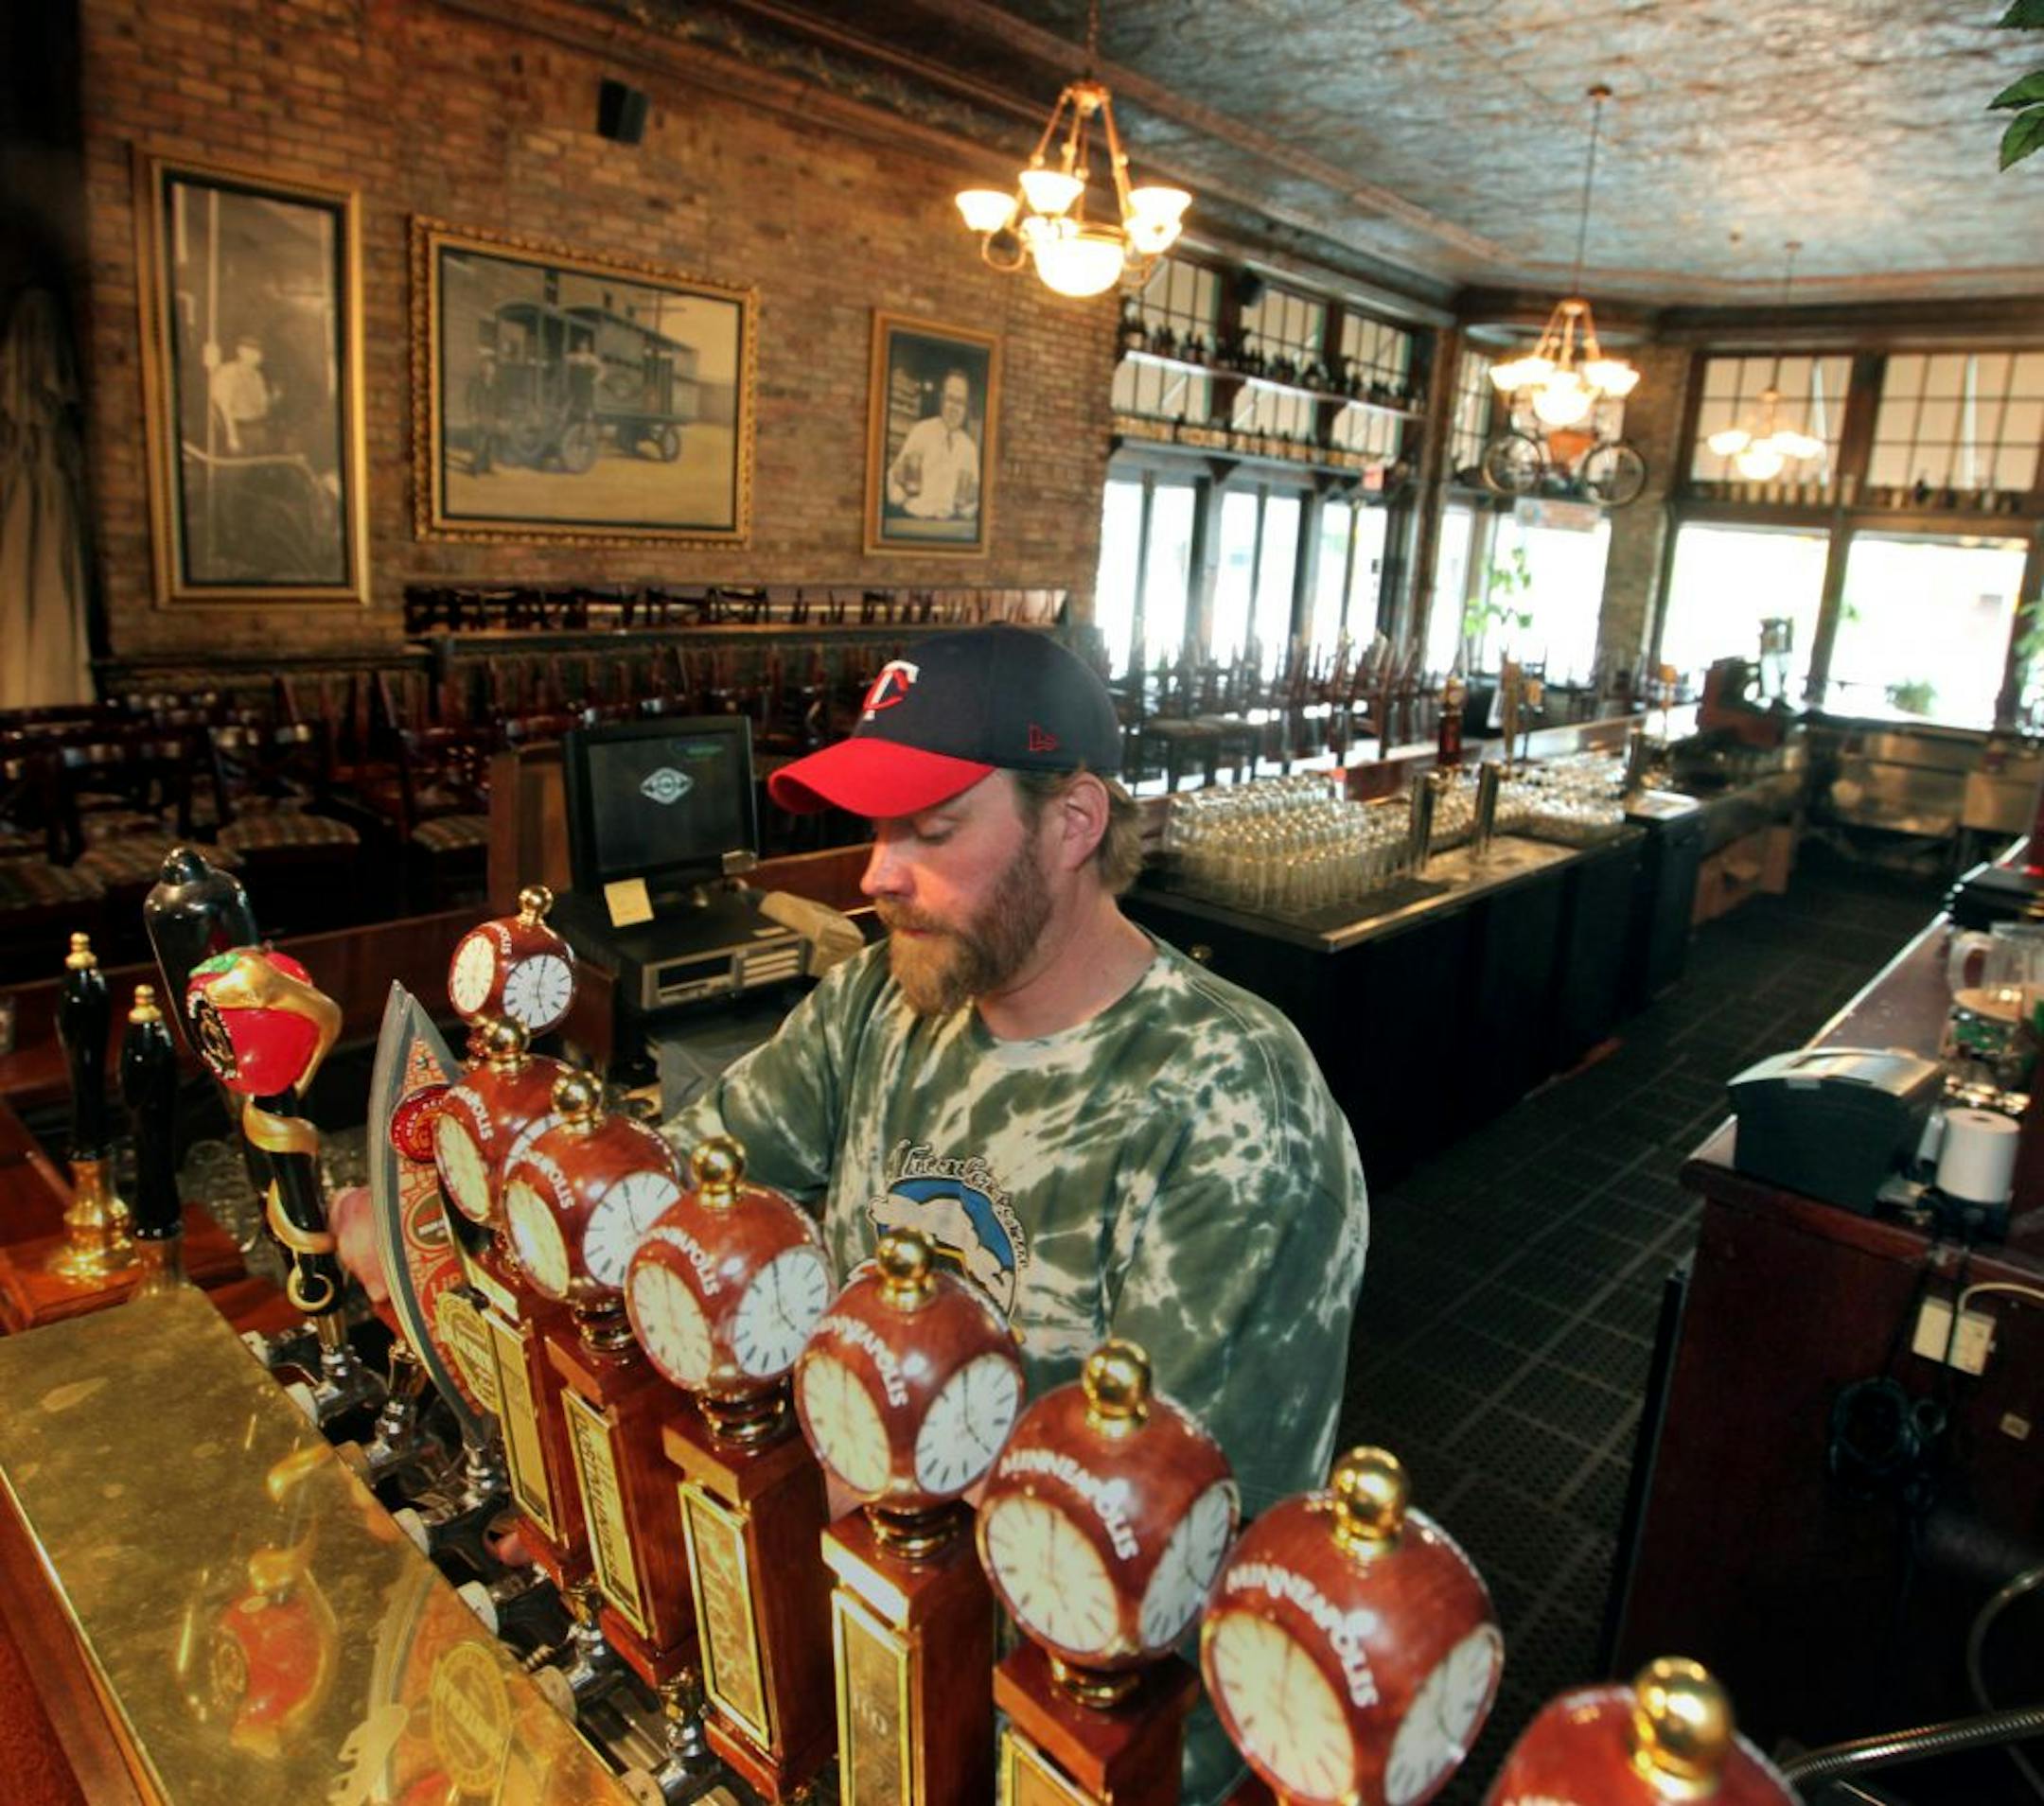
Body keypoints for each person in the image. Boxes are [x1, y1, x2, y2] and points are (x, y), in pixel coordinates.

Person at [662, 624, 1368, 1805]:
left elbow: (1158, 1532)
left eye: (931, 831)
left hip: (1073, 1739)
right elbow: (697, 1180)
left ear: (1073, 822)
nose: (876, 874)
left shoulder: (1232, 1099)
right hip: (852, 1638)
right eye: (880, 829)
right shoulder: (878, 1001)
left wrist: (830, 1475)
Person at [885, 367, 980, 520]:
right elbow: (893, 495)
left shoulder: (970, 449)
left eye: (960, 402)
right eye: (950, 398)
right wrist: (901, 483)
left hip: (950, 528)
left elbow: (970, 509)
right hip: (914, 522)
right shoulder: (921, 431)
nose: (954, 408)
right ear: (942, 400)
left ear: (966, 407)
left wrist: (969, 504)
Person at [208, 334, 273, 454]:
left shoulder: (257, 376)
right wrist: (232, 437)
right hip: (239, 430)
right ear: (240, 351)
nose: (255, 356)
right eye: (250, 351)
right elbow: (224, 408)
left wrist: (271, 399)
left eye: (258, 352)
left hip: (258, 429)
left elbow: (262, 405)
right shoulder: (228, 372)